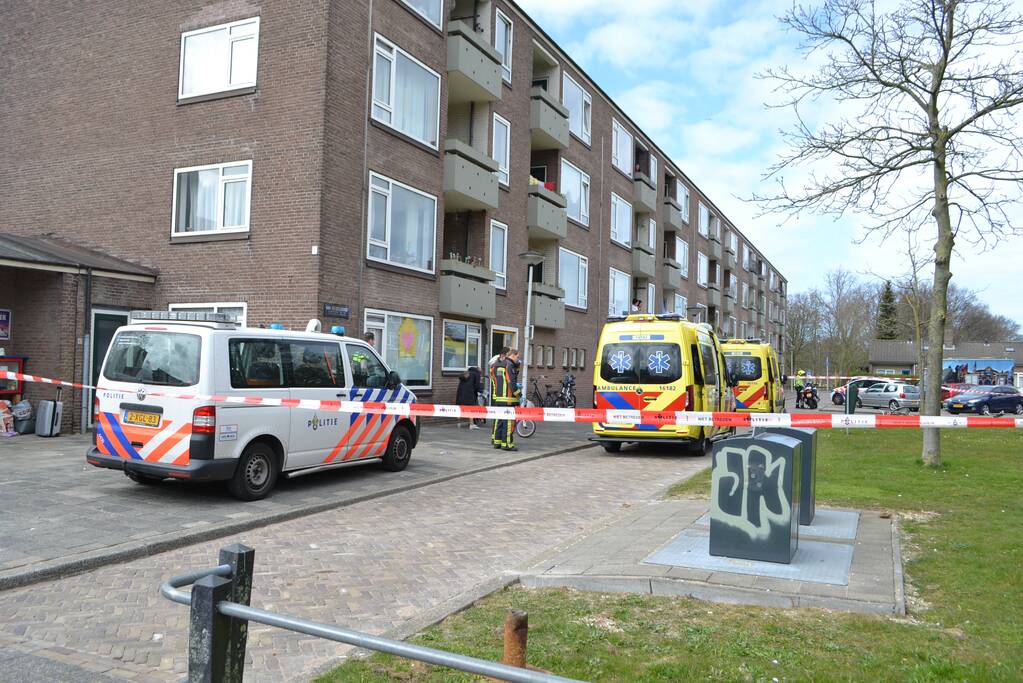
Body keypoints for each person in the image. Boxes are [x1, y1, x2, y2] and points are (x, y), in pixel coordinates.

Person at [491, 348, 520, 451]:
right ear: (512, 355)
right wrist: (519, 395)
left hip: (498, 398)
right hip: (508, 399)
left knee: (499, 421)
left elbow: (494, 382)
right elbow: (511, 383)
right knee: (508, 423)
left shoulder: (496, 365)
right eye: (517, 357)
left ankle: (497, 442)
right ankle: (507, 444)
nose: (518, 359)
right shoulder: (509, 365)